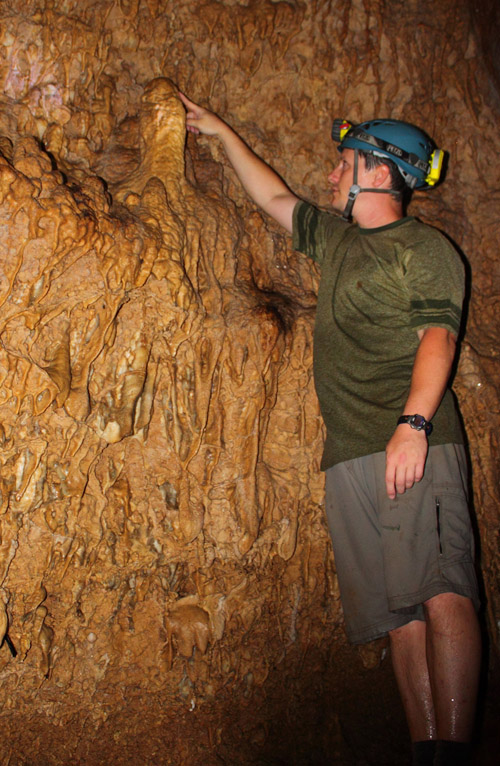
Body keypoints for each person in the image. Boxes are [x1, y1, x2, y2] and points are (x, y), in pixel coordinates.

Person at [178, 92, 481, 766]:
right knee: (397, 616)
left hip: (414, 441)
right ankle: (425, 748)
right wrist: (223, 132)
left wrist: (414, 422)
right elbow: (275, 199)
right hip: (350, 453)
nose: (333, 173)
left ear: (379, 172)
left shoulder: (424, 248)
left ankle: (455, 751)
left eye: (345, 163)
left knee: (440, 590)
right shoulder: (338, 239)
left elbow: (439, 332)